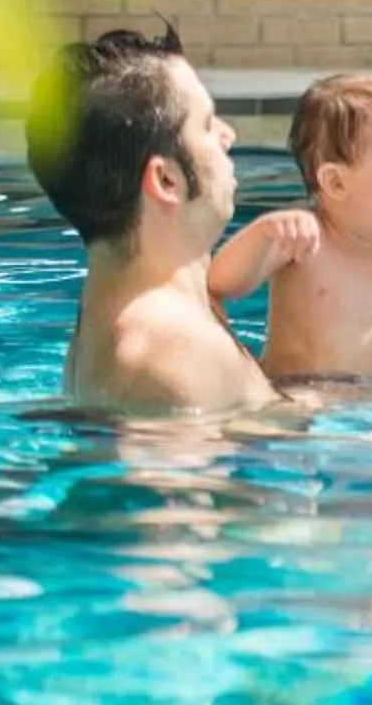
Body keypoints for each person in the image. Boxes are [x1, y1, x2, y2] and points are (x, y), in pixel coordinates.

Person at [23, 25, 277, 416]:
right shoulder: (174, 356)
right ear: (166, 180)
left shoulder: (111, 317)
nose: (229, 135)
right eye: (207, 125)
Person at [207, 74, 372, 385]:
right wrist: (264, 233)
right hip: (296, 399)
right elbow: (218, 285)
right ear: (336, 183)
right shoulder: (302, 242)